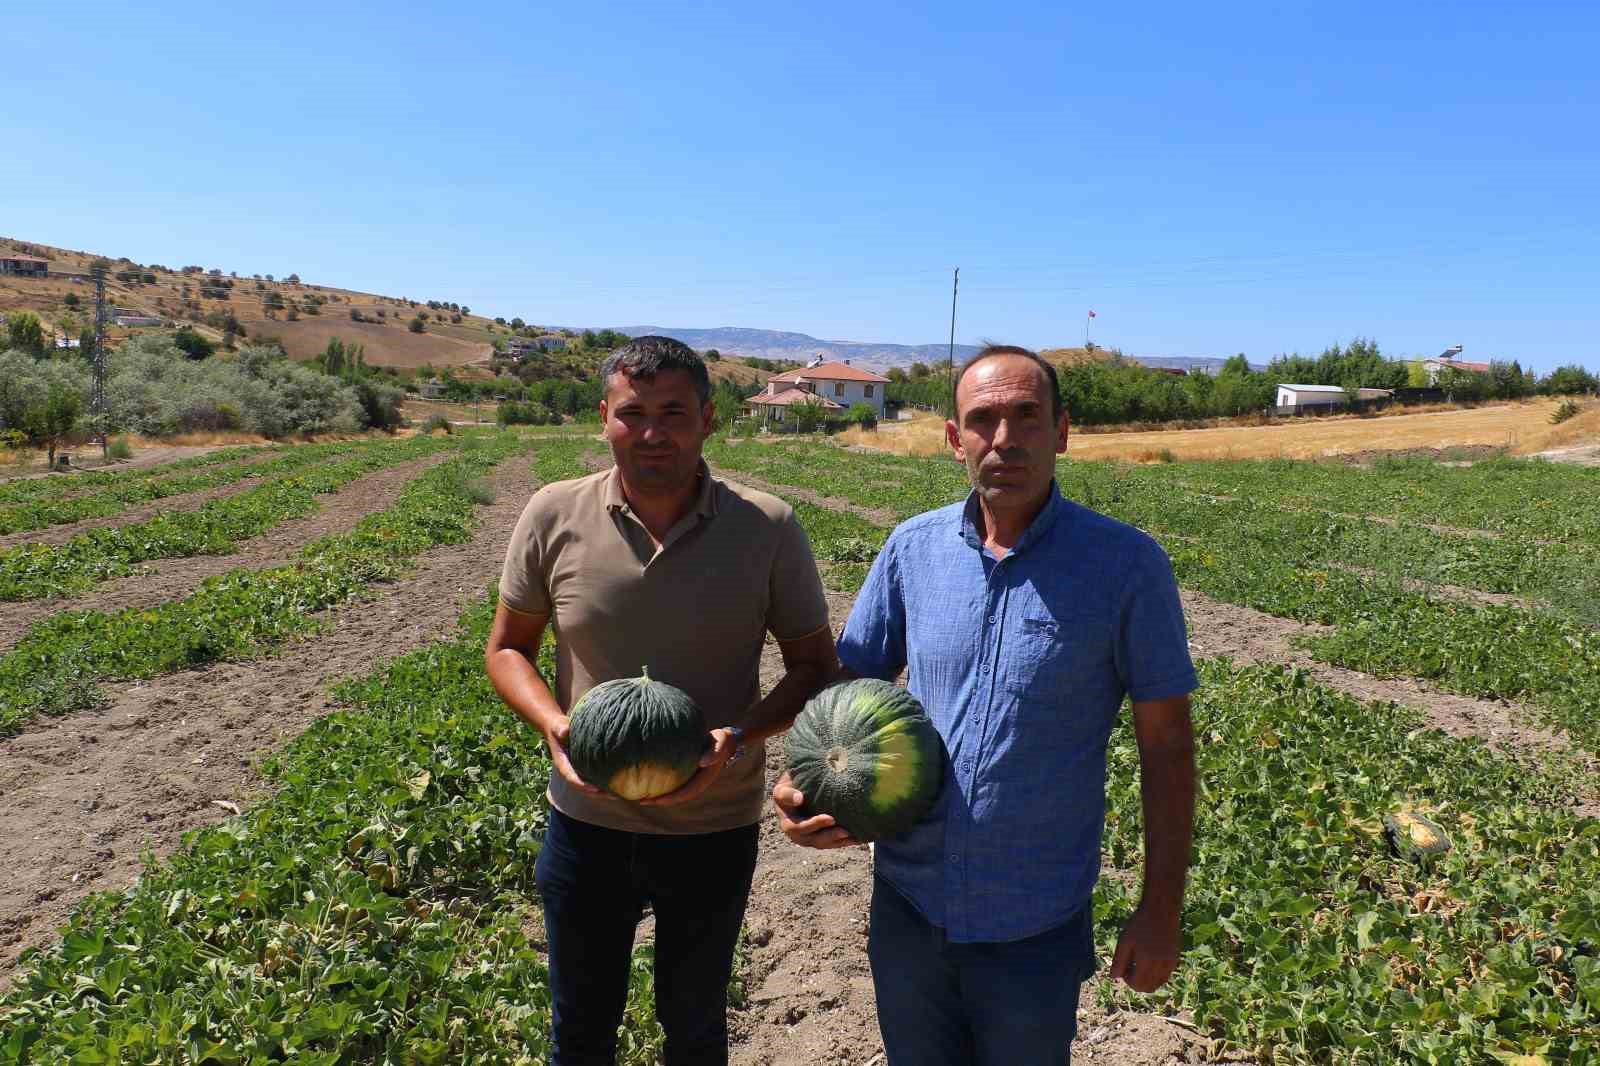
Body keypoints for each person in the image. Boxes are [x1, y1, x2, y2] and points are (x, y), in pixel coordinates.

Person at [774, 345, 1197, 1065]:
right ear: (954, 438)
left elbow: (1166, 746)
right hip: (909, 907)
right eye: (984, 420)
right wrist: (803, 779)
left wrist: (1159, 911)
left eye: (1026, 416)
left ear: (1061, 431)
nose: (1005, 439)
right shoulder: (914, 548)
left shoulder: (1126, 567)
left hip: (1034, 923)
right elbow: (848, 686)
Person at [486, 336, 836, 1065]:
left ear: (709, 418)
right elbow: (507, 648)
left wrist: (736, 736)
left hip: (714, 825)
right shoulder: (554, 513)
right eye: (632, 413)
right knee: (579, 1033)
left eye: (673, 412)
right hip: (587, 823)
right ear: (603, 417)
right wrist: (556, 727)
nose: (652, 433)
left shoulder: (766, 526)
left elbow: (811, 666)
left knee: (697, 1028)